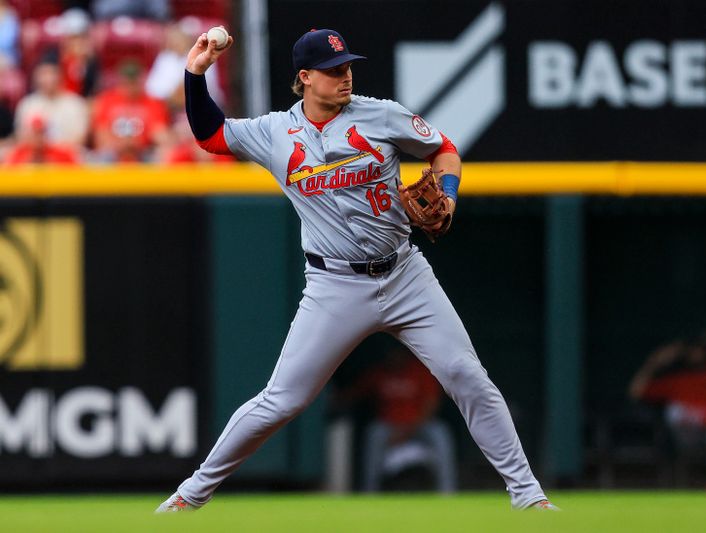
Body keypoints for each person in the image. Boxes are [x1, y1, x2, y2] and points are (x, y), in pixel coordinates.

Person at [155, 28, 556, 513]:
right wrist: (196, 73)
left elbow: (443, 147)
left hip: (405, 273)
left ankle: (529, 497)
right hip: (334, 284)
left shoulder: (381, 114)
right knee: (282, 400)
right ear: (304, 78)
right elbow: (211, 135)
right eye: (333, 70)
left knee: (466, 375)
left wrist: (447, 192)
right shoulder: (274, 132)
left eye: (347, 67)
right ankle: (188, 496)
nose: (346, 76)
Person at [342, 347, 457, 492]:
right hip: (389, 427)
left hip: (418, 426)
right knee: (374, 432)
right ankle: (370, 491)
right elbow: (353, 394)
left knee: (440, 432)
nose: (393, 357)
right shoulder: (379, 373)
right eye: (389, 354)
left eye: (396, 353)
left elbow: (430, 405)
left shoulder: (419, 371)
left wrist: (407, 431)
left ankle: (447, 491)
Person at [629, 332, 706, 492]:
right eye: (692, 352)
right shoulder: (677, 380)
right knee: (674, 410)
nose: (696, 355)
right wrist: (654, 362)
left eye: (699, 350)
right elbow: (636, 391)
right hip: (689, 436)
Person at [91, 59, 171, 162]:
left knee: (162, 155)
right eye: (127, 82)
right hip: (113, 152)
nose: (130, 87)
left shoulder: (153, 102)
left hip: (143, 151)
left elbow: (159, 132)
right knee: (99, 158)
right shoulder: (107, 100)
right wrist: (120, 144)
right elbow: (101, 134)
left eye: (134, 82)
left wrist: (137, 143)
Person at [14, 59, 89, 149]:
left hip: (67, 157)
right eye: (43, 74)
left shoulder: (76, 104)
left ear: (61, 75)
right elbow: (21, 137)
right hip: (36, 158)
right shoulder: (27, 104)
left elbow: (80, 139)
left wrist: (54, 150)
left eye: (52, 73)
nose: (48, 78)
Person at [4, 114, 79, 164]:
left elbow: (77, 173)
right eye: (35, 133)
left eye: (41, 132)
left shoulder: (62, 153)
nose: (38, 137)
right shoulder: (18, 154)